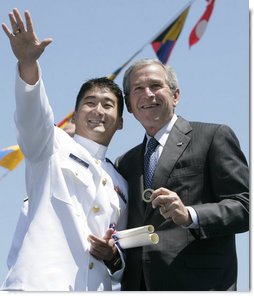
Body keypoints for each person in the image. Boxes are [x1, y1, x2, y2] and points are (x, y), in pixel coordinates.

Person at [1, 8, 128, 291]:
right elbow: (32, 115)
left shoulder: (122, 184)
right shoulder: (50, 144)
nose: (98, 110)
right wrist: (27, 64)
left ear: (120, 122)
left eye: (108, 105)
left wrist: (113, 256)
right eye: (89, 103)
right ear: (75, 113)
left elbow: (123, 256)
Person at [115, 58, 249, 291]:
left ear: (175, 95)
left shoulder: (213, 137)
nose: (147, 94)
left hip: (198, 285)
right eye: (138, 89)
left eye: (156, 86)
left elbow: (246, 206)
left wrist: (190, 215)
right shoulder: (125, 162)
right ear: (128, 104)